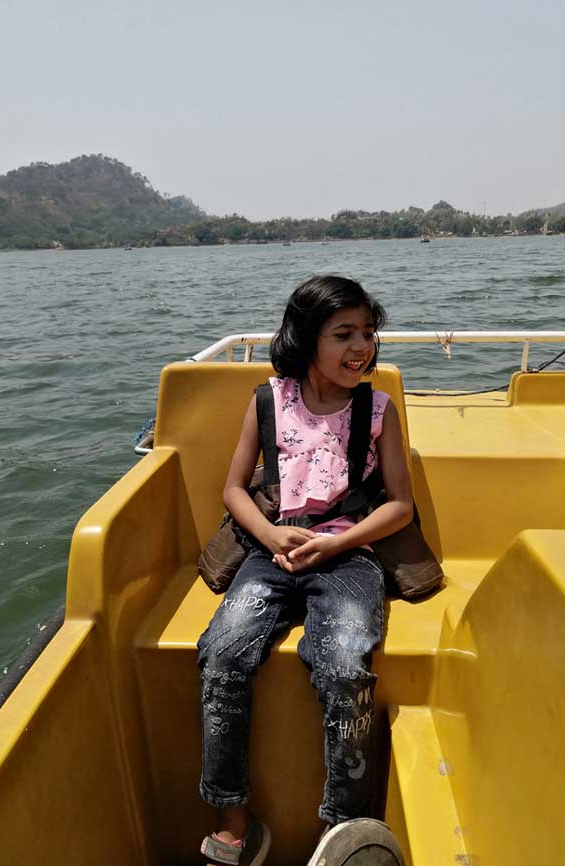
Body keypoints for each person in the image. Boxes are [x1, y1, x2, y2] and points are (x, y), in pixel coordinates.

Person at [198, 275, 413, 866]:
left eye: (367, 332)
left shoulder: (378, 409)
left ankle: (344, 830)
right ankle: (234, 819)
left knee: (345, 667)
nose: (361, 346)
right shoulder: (268, 400)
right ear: (306, 337)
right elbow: (233, 489)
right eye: (344, 334)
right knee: (222, 653)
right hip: (271, 553)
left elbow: (399, 504)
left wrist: (336, 544)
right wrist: (270, 535)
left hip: (348, 556)